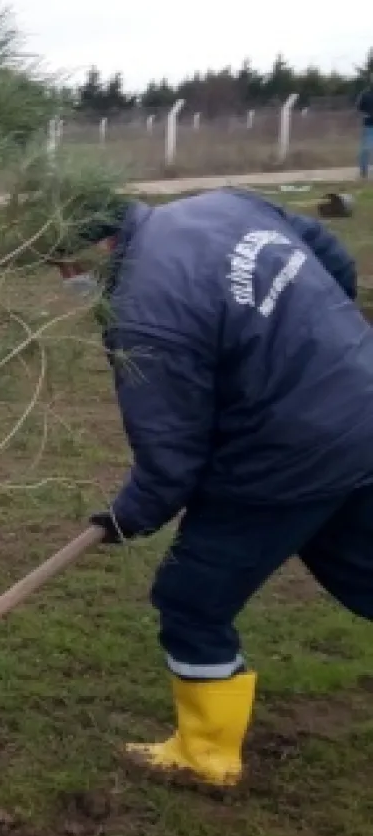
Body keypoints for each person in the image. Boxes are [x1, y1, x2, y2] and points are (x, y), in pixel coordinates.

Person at [68, 187, 373, 787]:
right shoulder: (222, 205)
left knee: (191, 597)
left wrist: (126, 518)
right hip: (361, 400)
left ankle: (205, 756)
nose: (70, 282)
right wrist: (322, 339)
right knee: (361, 564)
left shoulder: (143, 312)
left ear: (99, 247)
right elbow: (329, 253)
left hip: (285, 455)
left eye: (69, 268)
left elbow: (169, 459)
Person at [356, 82, 373, 180]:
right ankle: (363, 171)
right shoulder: (365, 95)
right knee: (366, 148)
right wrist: (364, 114)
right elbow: (359, 108)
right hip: (369, 125)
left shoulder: (365, 94)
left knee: (365, 148)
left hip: (368, 125)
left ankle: (363, 171)